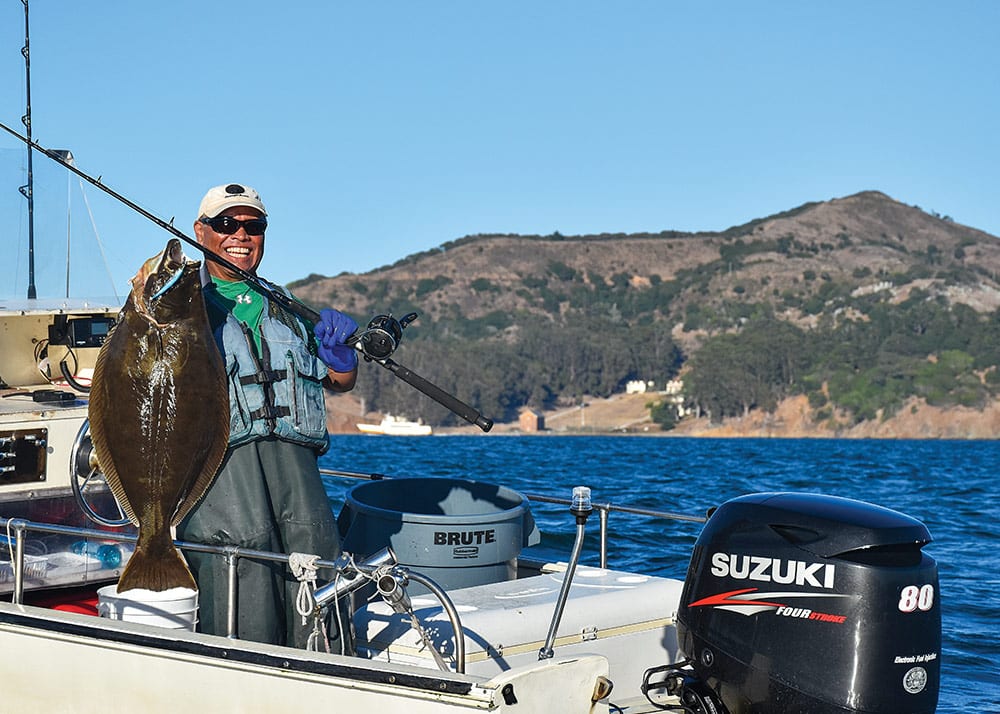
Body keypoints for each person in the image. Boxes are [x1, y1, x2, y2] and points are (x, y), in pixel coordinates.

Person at [176, 182, 358, 651]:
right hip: (220, 477)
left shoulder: (286, 306)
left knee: (319, 595)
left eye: (252, 225)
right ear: (202, 231)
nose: (240, 234)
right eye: (225, 224)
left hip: (298, 479)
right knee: (242, 597)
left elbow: (338, 382)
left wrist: (342, 357)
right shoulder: (178, 308)